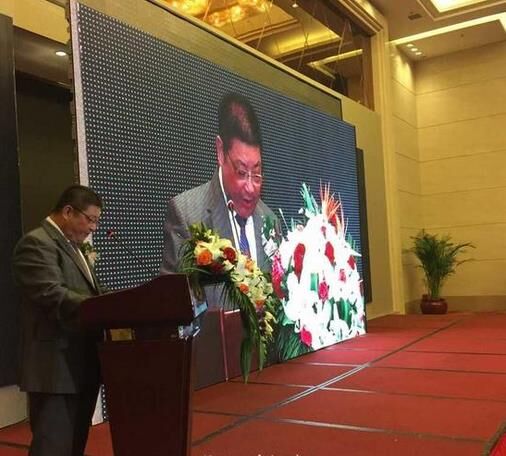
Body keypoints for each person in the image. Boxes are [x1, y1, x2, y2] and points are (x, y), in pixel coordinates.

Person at [12, 185, 104, 456]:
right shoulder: (36, 243)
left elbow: (91, 294)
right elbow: (52, 294)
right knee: (52, 447)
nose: (93, 228)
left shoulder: (73, 246)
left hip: (80, 365)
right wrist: (102, 307)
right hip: (54, 368)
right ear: (67, 211)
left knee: (73, 446)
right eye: (91, 219)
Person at [161, 92, 276, 284]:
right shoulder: (186, 215)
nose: (250, 188)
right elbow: (173, 296)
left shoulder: (270, 220)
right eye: (241, 172)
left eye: (256, 173)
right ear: (221, 151)